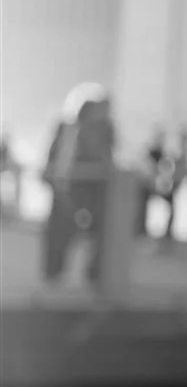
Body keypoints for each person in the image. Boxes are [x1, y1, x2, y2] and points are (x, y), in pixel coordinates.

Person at [40, 84, 118, 283]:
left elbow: (107, 158)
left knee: (101, 234)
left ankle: (96, 275)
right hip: (68, 188)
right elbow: (57, 157)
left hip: (95, 188)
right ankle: (53, 273)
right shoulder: (68, 128)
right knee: (60, 231)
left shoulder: (105, 130)